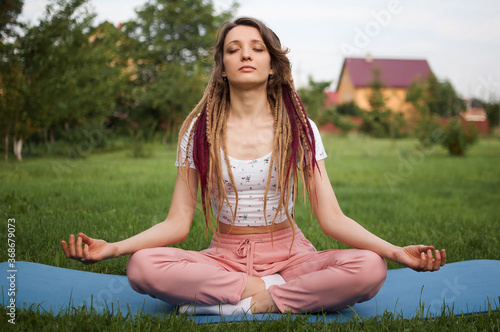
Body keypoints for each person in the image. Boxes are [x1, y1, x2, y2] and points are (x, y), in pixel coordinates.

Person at [61, 17, 446, 315]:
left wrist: (396, 253)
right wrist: (113, 249)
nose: (246, 54)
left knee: (369, 269)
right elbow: (177, 224)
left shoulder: (299, 128)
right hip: (224, 259)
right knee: (142, 267)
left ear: (273, 66)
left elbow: (332, 218)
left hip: (292, 255)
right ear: (222, 68)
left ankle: (247, 303)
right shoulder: (198, 132)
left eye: (257, 48)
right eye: (234, 49)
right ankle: (279, 297)